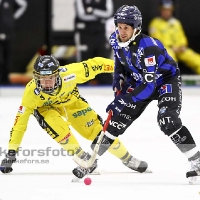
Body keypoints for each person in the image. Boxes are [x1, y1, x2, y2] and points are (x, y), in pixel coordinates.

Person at [73, 5, 200, 184]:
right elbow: (119, 59)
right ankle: (91, 159)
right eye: (119, 26)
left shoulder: (149, 48)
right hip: (140, 80)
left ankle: (197, 161)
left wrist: (123, 100)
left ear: (136, 28)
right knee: (115, 121)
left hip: (164, 80)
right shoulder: (115, 39)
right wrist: (118, 77)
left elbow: (149, 86)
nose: (122, 31)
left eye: (126, 27)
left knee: (167, 120)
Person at [0, 55, 149, 178]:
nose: (46, 84)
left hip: (72, 103)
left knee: (97, 132)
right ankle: (82, 157)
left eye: (50, 78)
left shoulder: (71, 73)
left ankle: (127, 158)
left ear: (58, 74)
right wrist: (11, 153)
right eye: (42, 80)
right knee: (58, 128)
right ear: (36, 78)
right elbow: (19, 124)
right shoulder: (31, 93)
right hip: (46, 109)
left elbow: (97, 64)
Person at [148, 0, 200, 74]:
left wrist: (182, 45)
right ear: (160, 10)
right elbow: (156, 40)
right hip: (165, 50)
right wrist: (172, 47)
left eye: (168, 10)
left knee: (197, 59)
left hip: (179, 49)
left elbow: (182, 37)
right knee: (170, 58)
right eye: (164, 10)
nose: (166, 12)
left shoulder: (176, 23)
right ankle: (172, 81)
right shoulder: (155, 23)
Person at [74, 0, 114, 85]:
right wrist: (100, 17)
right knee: (85, 61)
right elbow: (82, 15)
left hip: (101, 34)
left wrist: (93, 11)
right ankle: (83, 86)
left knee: (103, 59)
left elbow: (109, 13)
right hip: (85, 34)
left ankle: (106, 85)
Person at [0, 0, 27, 84]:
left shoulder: (9, 2)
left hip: (8, 33)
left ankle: (5, 80)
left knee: (7, 58)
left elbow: (23, 4)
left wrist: (13, 17)